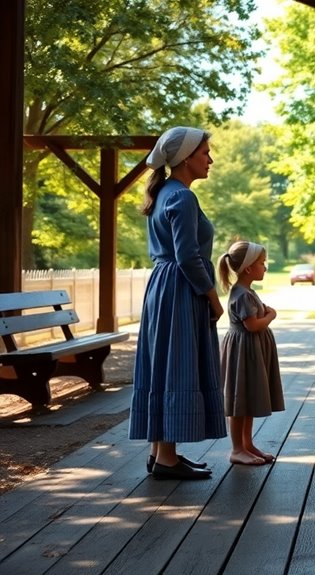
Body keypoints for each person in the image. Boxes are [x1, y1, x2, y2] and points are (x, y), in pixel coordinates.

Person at [130, 126, 226, 481]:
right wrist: (213, 298)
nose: (210, 160)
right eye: (205, 153)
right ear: (186, 159)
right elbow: (188, 257)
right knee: (177, 365)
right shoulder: (182, 197)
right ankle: (167, 458)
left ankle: (161, 454)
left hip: (162, 287)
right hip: (180, 288)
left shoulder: (165, 193)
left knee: (163, 365)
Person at [217, 240, 285, 465]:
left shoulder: (245, 291)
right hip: (243, 351)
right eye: (262, 263)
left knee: (246, 400)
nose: (265, 267)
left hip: (250, 350)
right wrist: (271, 315)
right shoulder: (243, 294)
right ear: (248, 268)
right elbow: (253, 325)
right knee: (239, 400)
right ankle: (237, 449)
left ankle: (247, 444)